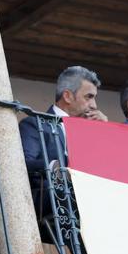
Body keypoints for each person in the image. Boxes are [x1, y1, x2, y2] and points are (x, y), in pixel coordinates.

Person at [19, 66, 108, 218]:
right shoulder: (35, 124)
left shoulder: (88, 131)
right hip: (49, 205)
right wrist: (55, 168)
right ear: (67, 96)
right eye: (88, 97)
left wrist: (103, 133)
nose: (94, 105)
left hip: (86, 206)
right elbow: (21, 164)